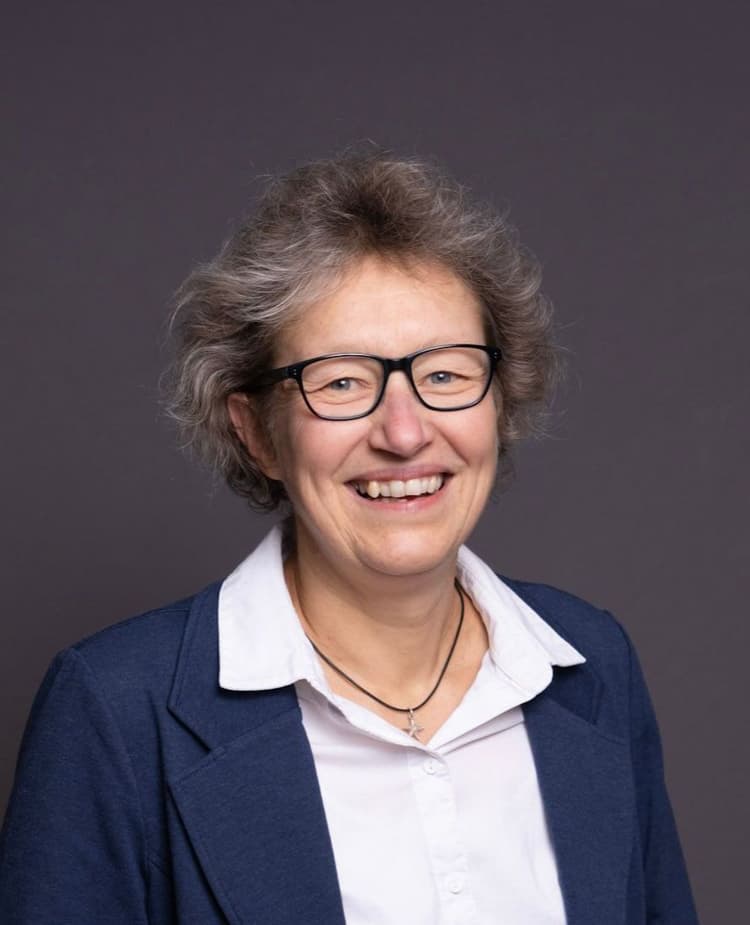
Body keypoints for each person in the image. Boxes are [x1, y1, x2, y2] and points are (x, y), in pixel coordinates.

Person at [0, 148, 700, 925]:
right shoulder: (114, 709)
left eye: (445, 374)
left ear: (499, 401)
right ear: (257, 432)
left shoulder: (593, 665)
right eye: (341, 381)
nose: (404, 432)